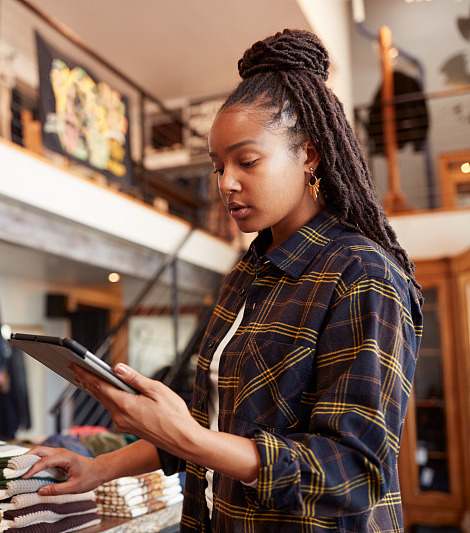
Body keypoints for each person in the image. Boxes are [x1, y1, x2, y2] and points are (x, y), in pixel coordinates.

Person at [23, 29, 423, 533]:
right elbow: (213, 425)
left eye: (247, 161)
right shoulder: (246, 274)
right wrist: (100, 467)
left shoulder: (363, 275)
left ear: (310, 155)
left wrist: (189, 439)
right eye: (217, 166)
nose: (225, 183)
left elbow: (354, 473)